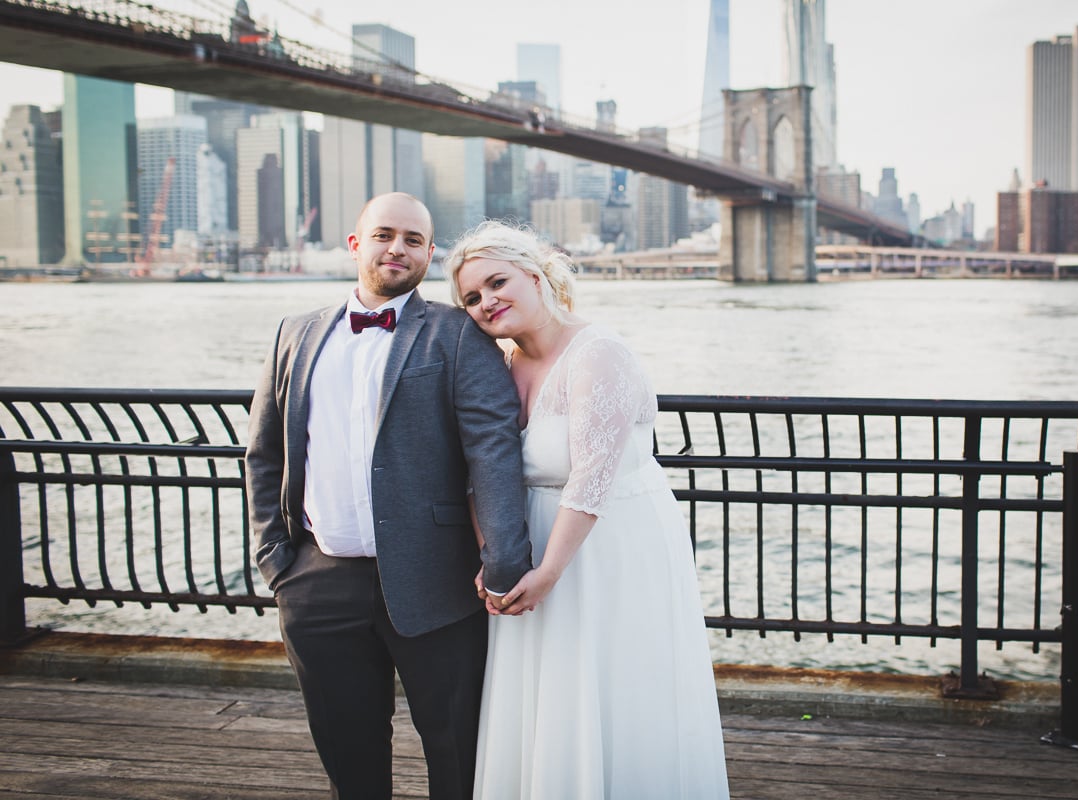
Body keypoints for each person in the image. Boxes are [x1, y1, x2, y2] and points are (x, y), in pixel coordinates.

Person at [245, 193, 531, 800]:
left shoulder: (458, 333)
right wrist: (278, 560)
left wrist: (505, 562)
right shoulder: (294, 334)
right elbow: (265, 453)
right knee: (347, 752)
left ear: (430, 253)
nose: (396, 248)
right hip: (317, 581)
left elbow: (493, 447)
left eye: (412, 239)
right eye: (383, 235)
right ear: (356, 244)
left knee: (457, 750)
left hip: (438, 584)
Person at [444, 220, 730, 799]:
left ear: (534, 273)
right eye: (471, 298)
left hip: (606, 547)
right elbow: (482, 471)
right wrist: (495, 559)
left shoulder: (598, 353)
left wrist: (548, 572)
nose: (486, 302)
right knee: (547, 696)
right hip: (531, 550)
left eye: (497, 282)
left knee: (612, 687)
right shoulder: (498, 366)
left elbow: (592, 479)